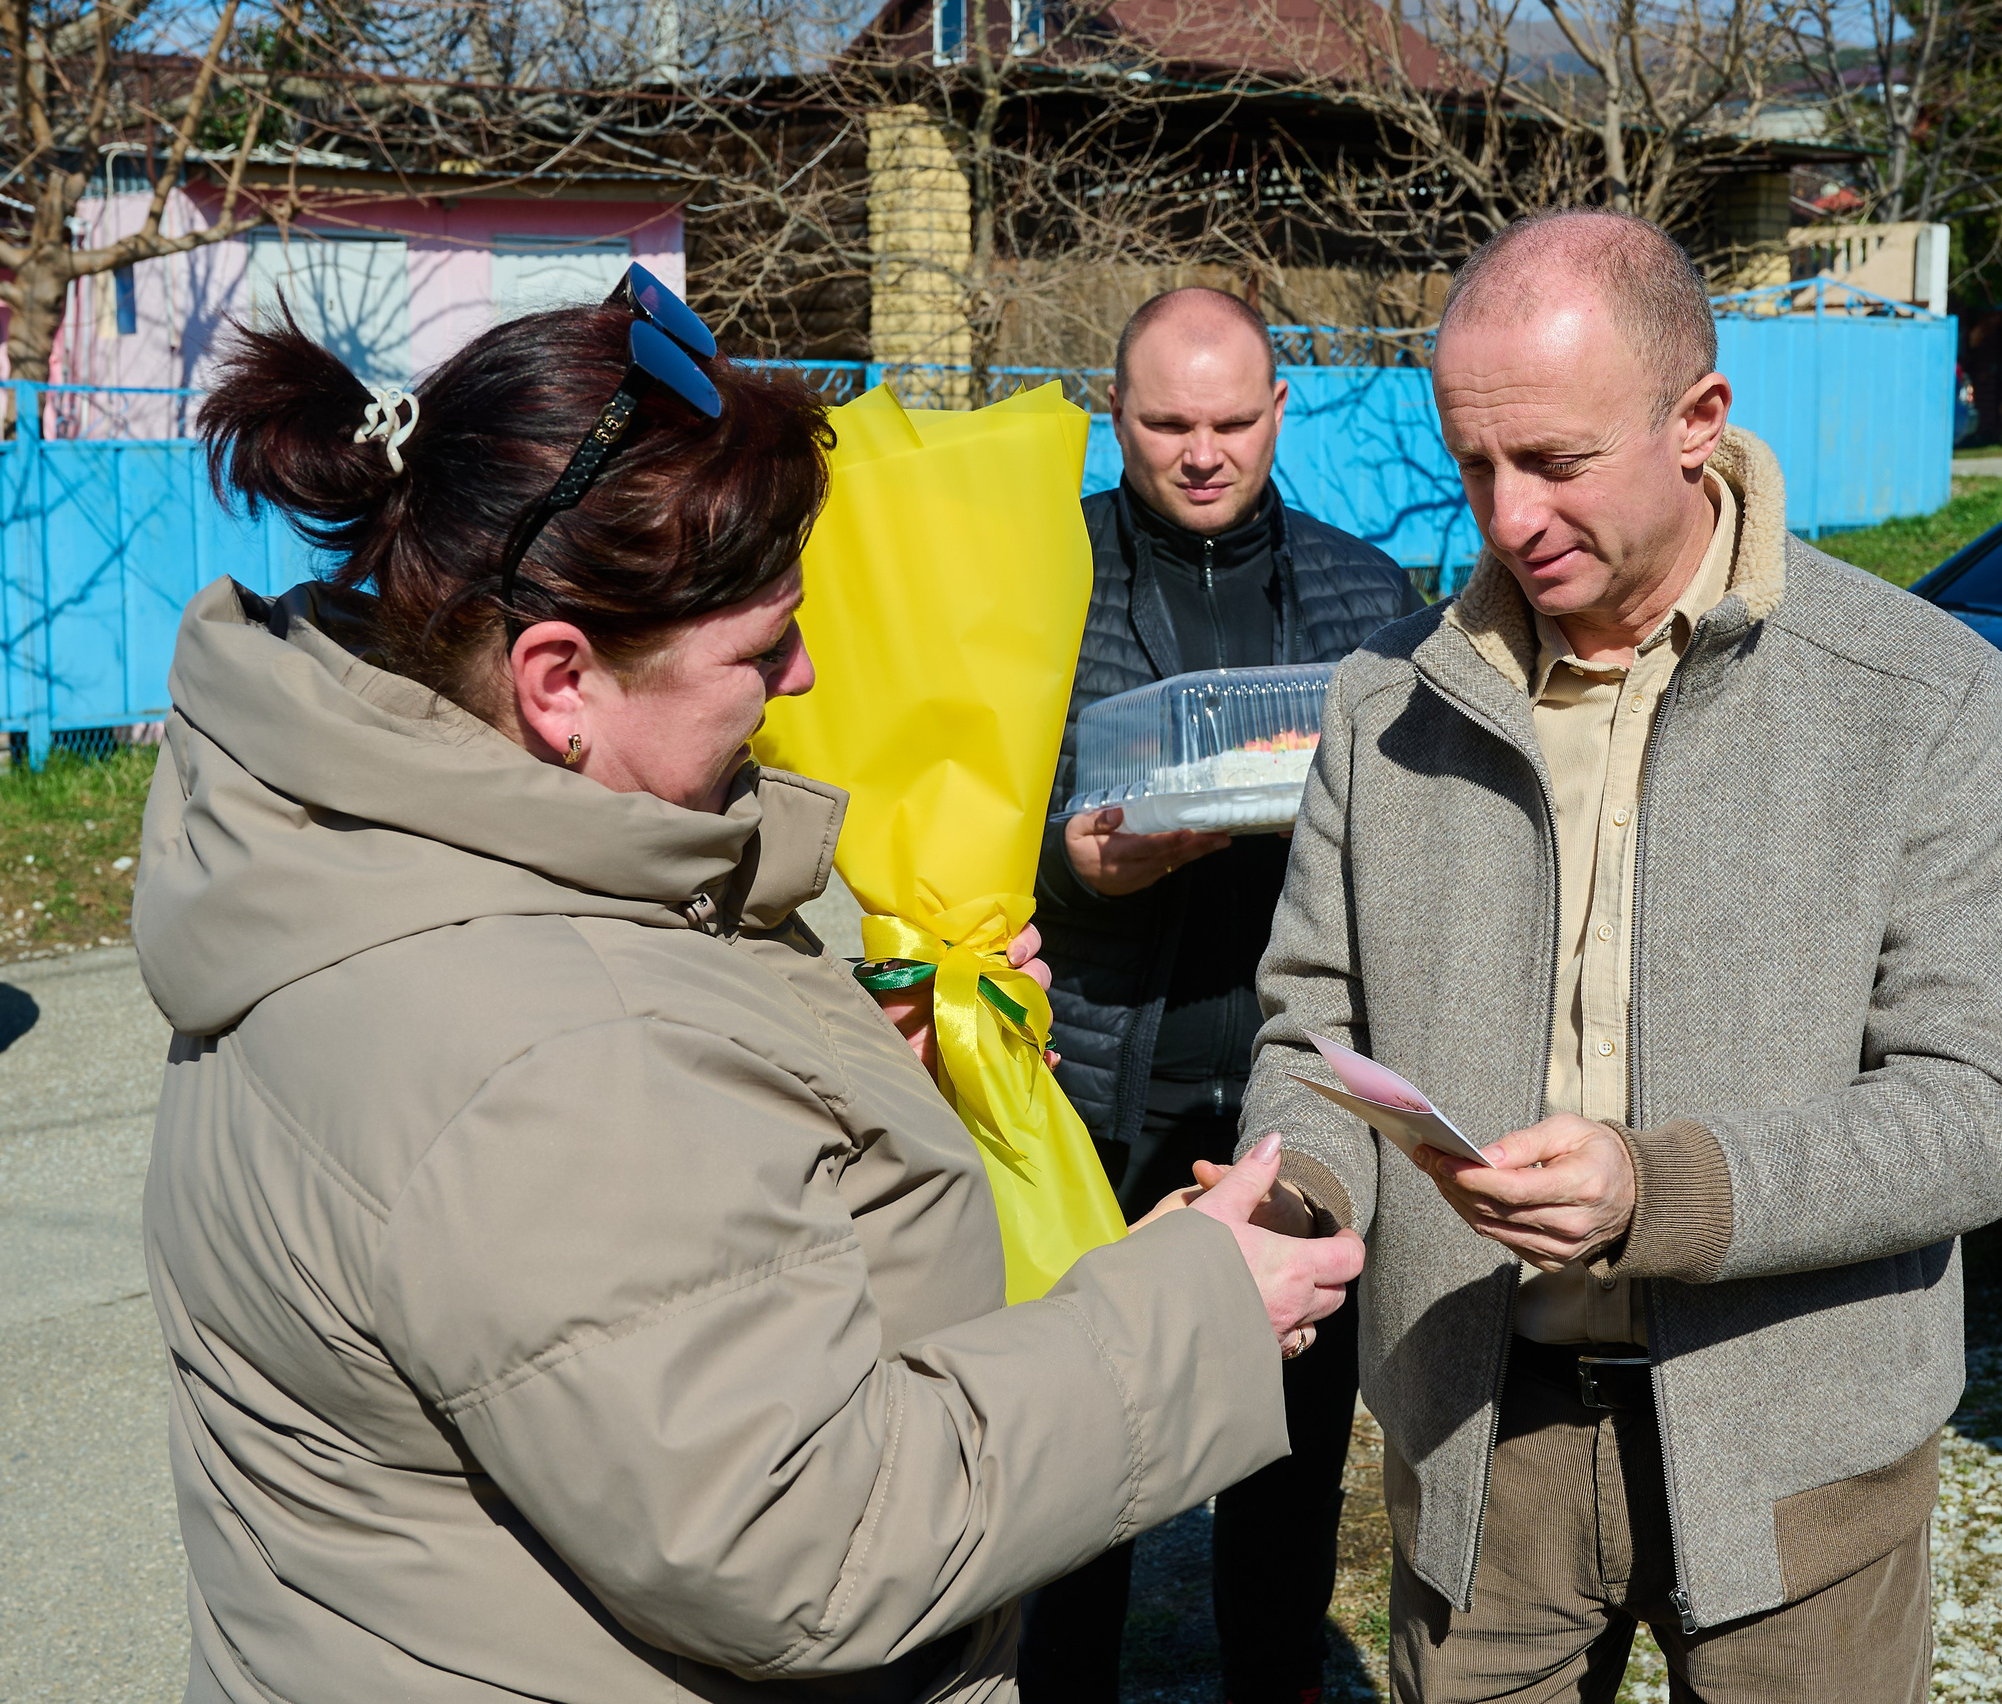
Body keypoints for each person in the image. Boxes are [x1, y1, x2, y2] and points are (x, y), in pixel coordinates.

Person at [134, 278, 1361, 1704]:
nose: (804, 673)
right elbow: (816, 1539)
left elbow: (632, 1236)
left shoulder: (365, 860)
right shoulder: (542, 1058)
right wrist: (1196, 1311)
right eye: (760, 645)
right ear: (559, 682)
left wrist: (849, 1074)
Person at [1232, 210, 2002, 1702]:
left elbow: (1981, 1110)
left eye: (1556, 461)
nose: (1508, 516)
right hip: (1483, 1445)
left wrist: (1654, 1191)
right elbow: (1312, 1035)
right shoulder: (1381, 705)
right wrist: (1289, 1198)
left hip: (1798, 1451)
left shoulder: (1919, 695)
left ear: (1698, 421)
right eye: (1476, 464)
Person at [1024, 287, 1420, 1704]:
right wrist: (1073, 871)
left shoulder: (1371, 595)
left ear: (1280, 411)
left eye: (1235, 420)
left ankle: (1275, 1681)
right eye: (1167, 422)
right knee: (1080, 1437)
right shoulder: (1039, 579)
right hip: (1093, 1081)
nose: (1204, 452)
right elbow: (961, 822)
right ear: (1113, 413)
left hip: (1292, 1084)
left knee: (1289, 1448)